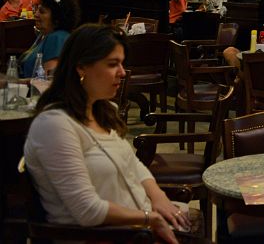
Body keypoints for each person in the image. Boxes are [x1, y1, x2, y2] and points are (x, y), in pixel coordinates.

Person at [24, 24, 192, 243]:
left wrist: (159, 197)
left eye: (122, 63)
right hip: (106, 236)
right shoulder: (54, 125)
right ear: (81, 67)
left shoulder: (102, 111)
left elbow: (132, 164)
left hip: (136, 227)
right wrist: (150, 218)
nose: (122, 72)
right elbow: (87, 210)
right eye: (113, 64)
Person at [19, 0, 79, 77]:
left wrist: (17, 82)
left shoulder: (57, 37)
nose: (36, 14)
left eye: (42, 12)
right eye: (37, 9)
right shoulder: (43, 35)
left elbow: (49, 79)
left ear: (57, 18)